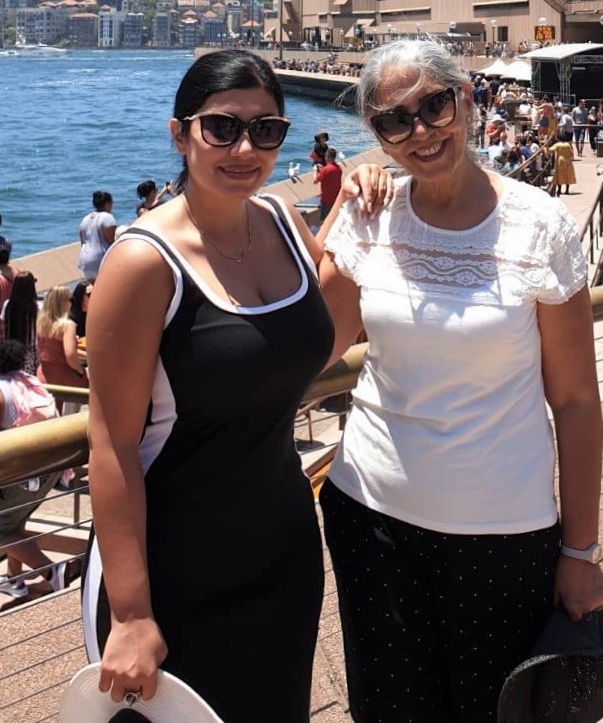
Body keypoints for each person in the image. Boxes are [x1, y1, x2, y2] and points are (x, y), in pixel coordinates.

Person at [82, 50, 389, 721]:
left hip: (280, 549)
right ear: (179, 133)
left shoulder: (281, 220)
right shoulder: (141, 263)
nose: (245, 148)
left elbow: (319, 339)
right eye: (221, 127)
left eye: (266, 130)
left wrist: (362, 203)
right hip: (171, 571)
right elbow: (109, 446)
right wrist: (131, 614)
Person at [318, 39, 603, 723]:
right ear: (377, 135)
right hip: (371, 518)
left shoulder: (538, 224)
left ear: (467, 100)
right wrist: (337, 207)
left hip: (505, 536)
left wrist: (581, 550)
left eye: (435, 105)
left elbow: (574, 401)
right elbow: (311, 345)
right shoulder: (372, 217)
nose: (422, 131)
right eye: (396, 120)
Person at [0, 338, 66, 601]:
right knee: (17, 520)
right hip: (50, 469)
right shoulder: (29, 381)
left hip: (24, 473)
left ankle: (51, 571)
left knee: (2, 531)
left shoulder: (2, 390)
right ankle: (15, 580)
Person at [36, 285, 88, 390]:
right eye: (70, 300)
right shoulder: (68, 325)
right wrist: (81, 371)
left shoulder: (39, 324)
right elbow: (70, 355)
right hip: (64, 378)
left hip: (42, 376)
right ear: (63, 302)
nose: (72, 303)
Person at [0, 272, 40, 375]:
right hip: (31, 351)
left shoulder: (7, 305)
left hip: (11, 349)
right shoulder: (38, 307)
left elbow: (3, 323)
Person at [77, 191, 117, 280]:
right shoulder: (107, 217)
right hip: (100, 259)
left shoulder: (85, 218)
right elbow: (111, 241)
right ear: (107, 204)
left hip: (85, 260)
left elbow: (82, 239)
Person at [314, 147, 344, 221]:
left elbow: (315, 180)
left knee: (324, 221)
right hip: (336, 198)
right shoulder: (339, 168)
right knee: (335, 220)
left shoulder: (325, 169)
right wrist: (322, 169)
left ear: (327, 157)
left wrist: (315, 171)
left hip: (326, 200)